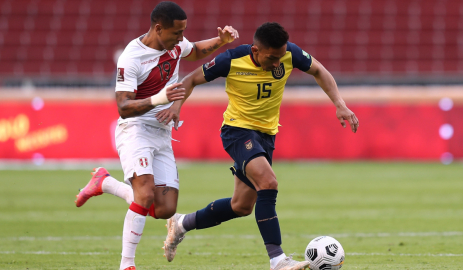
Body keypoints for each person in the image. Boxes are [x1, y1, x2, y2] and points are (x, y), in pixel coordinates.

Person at [156, 22, 359, 270]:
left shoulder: (290, 54)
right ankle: (277, 259)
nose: (278, 64)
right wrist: (176, 105)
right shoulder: (231, 59)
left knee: (241, 206)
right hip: (237, 131)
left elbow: (320, 71)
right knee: (269, 183)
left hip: (266, 135)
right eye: (272, 58)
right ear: (255, 50)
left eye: (280, 57)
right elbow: (191, 80)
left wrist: (340, 104)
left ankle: (182, 223)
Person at [74, 2, 239, 270]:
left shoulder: (174, 44)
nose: (181, 38)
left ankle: (104, 182)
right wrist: (161, 98)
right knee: (145, 195)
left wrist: (220, 41)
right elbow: (124, 107)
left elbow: (195, 50)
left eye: (183, 32)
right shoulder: (131, 57)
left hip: (162, 132)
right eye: (177, 32)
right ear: (158, 28)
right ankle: (127, 264)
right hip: (135, 130)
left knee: (165, 209)